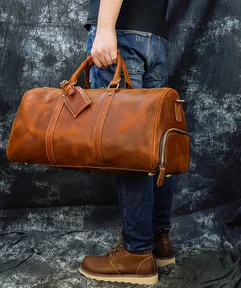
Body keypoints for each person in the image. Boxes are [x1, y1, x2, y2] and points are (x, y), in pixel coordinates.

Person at [79, 0, 175, 285]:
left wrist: (106, 27)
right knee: (153, 143)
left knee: (127, 147)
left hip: (123, 31)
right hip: (153, 36)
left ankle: (136, 253)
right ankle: (159, 240)